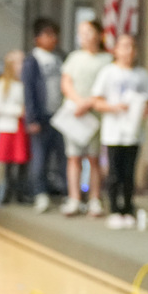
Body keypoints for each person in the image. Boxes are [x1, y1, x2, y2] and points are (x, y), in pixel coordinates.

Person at [91, 33, 148, 229]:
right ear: (115, 50)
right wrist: (114, 107)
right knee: (114, 172)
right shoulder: (108, 72)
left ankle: (128, 207)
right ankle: (114, 209)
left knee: (129, 173)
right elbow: (97, 101)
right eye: (123, 46)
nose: (128, 51)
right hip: (113, 130)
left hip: (133, 132)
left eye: (131, 47)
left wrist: (143, 109)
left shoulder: (141, 75)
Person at [59, 19, 113, 217]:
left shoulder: (106, 60)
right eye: (81, 33)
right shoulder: (74, 58)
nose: (84, 36)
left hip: (94, 113)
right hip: (75, 113)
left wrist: (89, 102)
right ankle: (74, 198)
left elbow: (108, 89)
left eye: (88, 32)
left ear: (99, 34)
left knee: (94, 158)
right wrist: (78, 101)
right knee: (73, 157)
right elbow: (66, 83)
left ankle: (94, 199)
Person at [21, 17, 65, 212]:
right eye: (47, 34)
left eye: (54, 34)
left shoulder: (60, 58)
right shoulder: (32, 61)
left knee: (62, 155)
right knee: (40, 157)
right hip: (41, 116)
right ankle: (39, 192)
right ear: (37, 38)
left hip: (60, 115)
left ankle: (65, 191)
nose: (52, 38)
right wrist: (32, 118)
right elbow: (29, 91)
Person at [0, 51, 29, 211]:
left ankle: (19, 192)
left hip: (21, 127)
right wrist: (17, 110)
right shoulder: (2, 83)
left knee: (20, 161)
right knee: (5, 163)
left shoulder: (23, 83)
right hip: (8, 126)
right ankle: (4, 193)